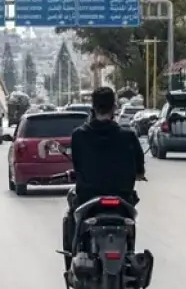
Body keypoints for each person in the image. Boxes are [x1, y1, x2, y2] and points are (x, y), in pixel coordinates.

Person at [63, 87, 145, 272]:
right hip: (122, 199)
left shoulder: (79, 135)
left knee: (71, 217)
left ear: (92, 107)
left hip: (88, 198)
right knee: (129, 224)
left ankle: (72, 261)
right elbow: (139, 170)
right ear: (114, 107)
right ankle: (128, 255)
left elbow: (78, 165)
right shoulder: (128, 135)